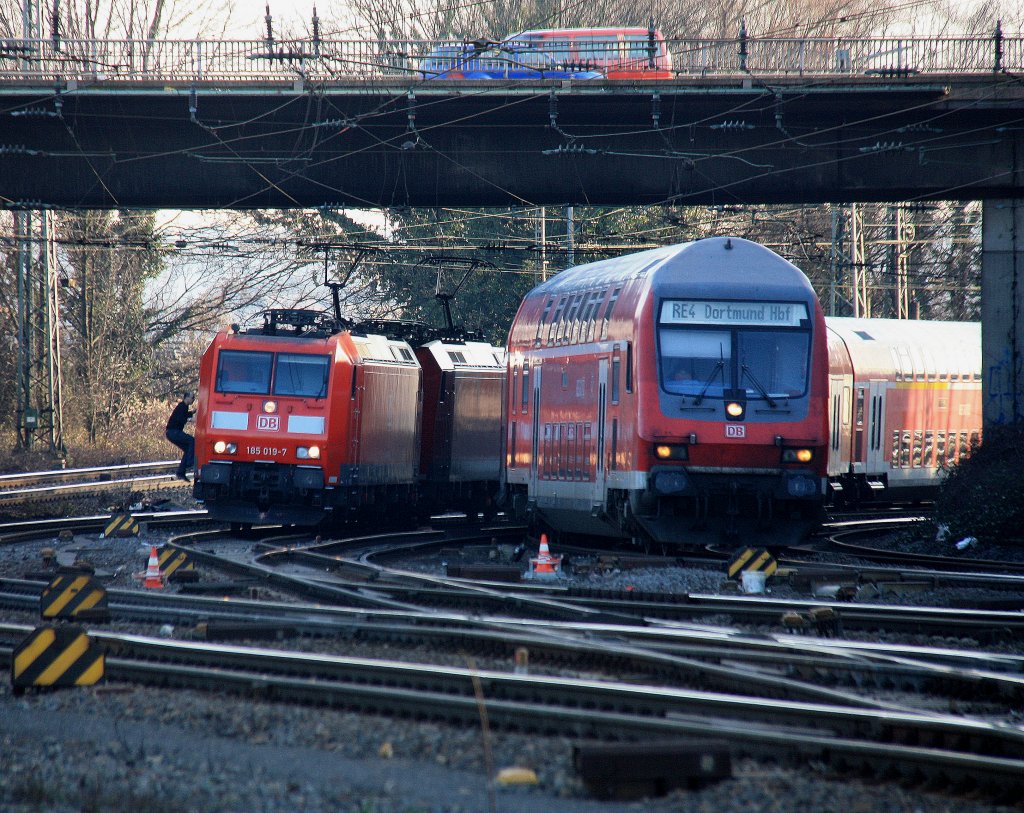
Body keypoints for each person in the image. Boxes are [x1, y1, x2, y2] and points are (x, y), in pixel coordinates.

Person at [166, 391, 196, 480]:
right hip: (173, 432)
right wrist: (190, 419)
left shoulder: (184, 407)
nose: (193, 399)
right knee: (192, 440)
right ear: (187, 397)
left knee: (187, 449)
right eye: (192, 397)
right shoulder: (181, 406)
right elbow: (180, 419)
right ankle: (190, 462)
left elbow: (184, 415)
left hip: (172, 433)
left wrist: (192, 412)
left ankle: (181, 473)